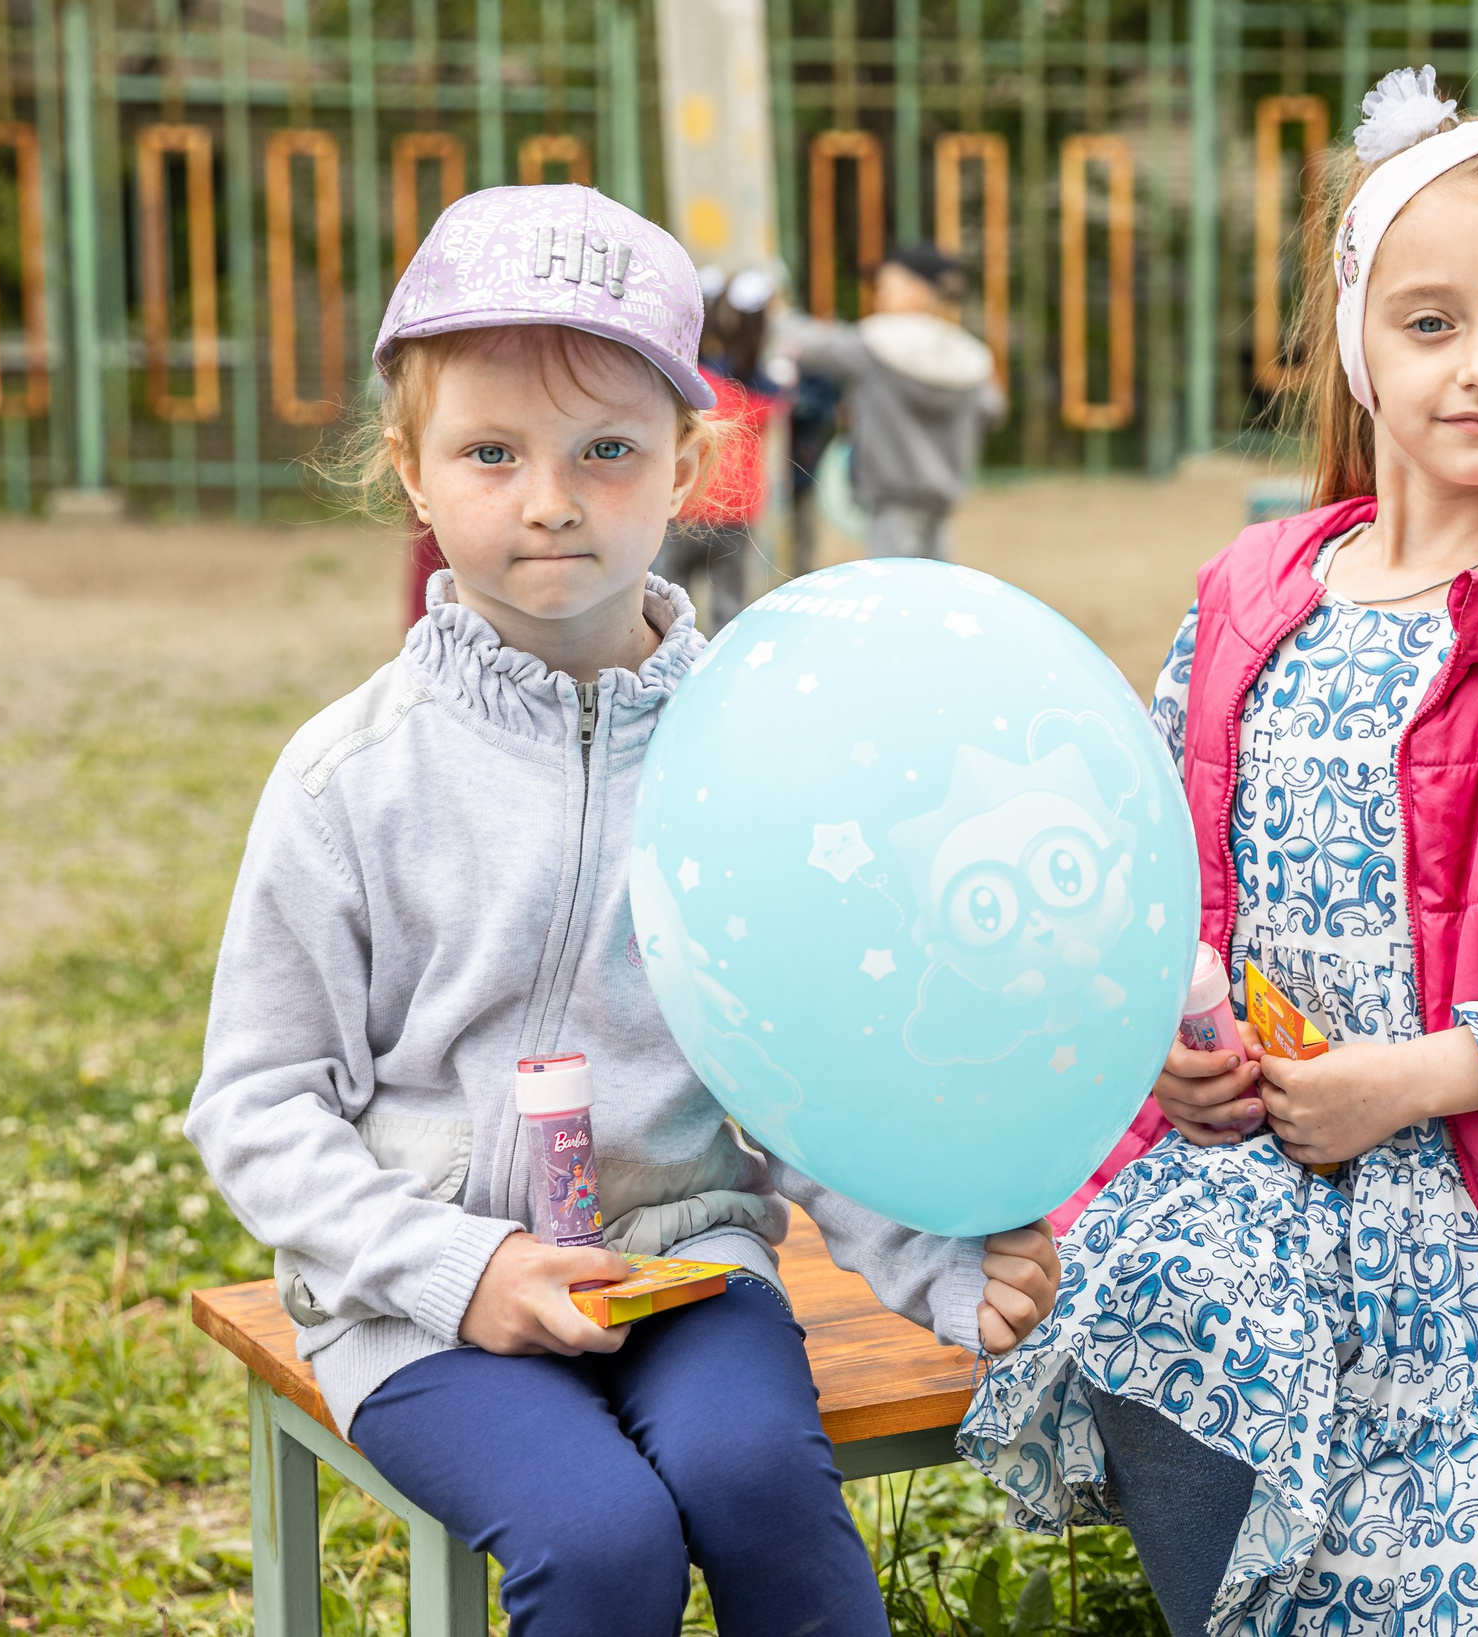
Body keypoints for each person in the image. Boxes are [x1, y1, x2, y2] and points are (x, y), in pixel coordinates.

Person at [962, 69, 1478, 1637]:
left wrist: (1407, 1079)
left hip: (1475, 1212)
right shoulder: (1251, 599)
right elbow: (1148, 887)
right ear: (1359, 339)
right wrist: (1171, 1051)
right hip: (1245, 1164)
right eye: (1432, 323)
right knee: (1164, 1307)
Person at [186, 184, 1060, 1637]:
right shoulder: (352, 777)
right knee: (598, 1542)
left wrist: (936, 1260)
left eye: (606, 450)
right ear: (409, 470)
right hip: (419, 1303)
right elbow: (258, 1105)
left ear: (691, 463)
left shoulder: (757, 748)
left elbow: (810, 1059)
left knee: (759, 1486)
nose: (550, 497)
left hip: (686, 1267)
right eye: (489, 451)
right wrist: (465, 1270)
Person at [779, 241, 1005, 560]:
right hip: (942, 499)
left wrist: (773, 311)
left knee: (894, 590)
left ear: (917, 290)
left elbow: (809, 344)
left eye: (887, 283)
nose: (879, 291)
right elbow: (994, 408)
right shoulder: (971, 356)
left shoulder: (875, 345)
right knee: (936, 588)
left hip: (891, 499)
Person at [652, 266, 787, 631]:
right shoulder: (768, 389)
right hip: (736, 511)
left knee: (666, 607)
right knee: (730, 611)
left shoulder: (686, 384)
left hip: (684, 505)